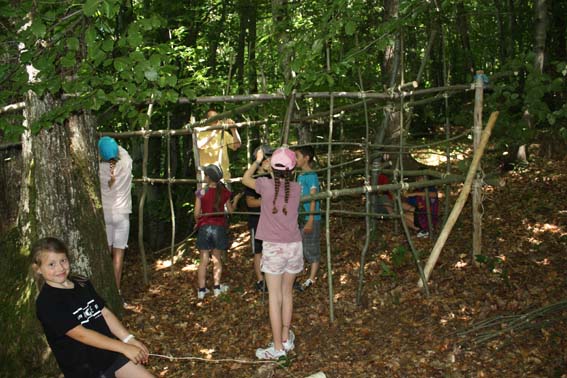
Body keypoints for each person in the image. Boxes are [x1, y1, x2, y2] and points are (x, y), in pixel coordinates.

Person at [31, 237, 154, 378]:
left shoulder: (81, 283)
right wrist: (124, 347)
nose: (60, 268)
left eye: (63, 260)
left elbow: (104, 313)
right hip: (85, 368)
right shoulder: (47, 302)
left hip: (110, 354)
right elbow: (81, 334)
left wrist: (129, 339)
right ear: (38, 269)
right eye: (51, 264)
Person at [242, 146, 303, 360]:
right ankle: (285, 339)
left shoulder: (265, 185)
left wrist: (259, 161)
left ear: (272, 168)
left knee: (274, 297)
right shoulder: (297, 188)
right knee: (287, 294)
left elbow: (245, 178)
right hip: (294, 246)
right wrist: (272, 170)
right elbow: (282, 187)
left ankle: (277, 349)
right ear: (292, 169)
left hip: (274, 248)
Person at [195, 164, 243, 300]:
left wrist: (197, 222)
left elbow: (196, 213)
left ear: (208, 178)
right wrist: (237, 200)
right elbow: (231, 211)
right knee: (217, 259)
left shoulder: (201, 192)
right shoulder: (224, 192)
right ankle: (216, 288)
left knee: (203, 260)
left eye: (205, 175)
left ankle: (202, 291)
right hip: (219, 228)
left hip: (204, 228)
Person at [98, 136, 132, 298]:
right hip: (122, 216)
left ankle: (103, 290)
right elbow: (122, 152)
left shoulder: (98, 170)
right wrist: (113, 146)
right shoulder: (126, 164)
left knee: (105, 254)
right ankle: (116, 292)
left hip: (105, 216)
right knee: (118, 256)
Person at [244, 145, 274, 292]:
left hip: (271, 221)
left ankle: (270, 277)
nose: (270, 160)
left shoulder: (272, 176)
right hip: (257, 220)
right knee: (258, 251)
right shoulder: (253, 179)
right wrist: (268, 200)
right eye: (267, 157)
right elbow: (250, 202)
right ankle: (260, 280)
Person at [294, 146, 321, 291]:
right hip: (301, 217)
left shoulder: (312, 176)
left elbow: (313, 199)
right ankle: (301, 274)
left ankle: (311, 278)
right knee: (301, 246)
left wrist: (311, 219)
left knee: (312, 247)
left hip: (311, 218)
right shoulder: (300, 176)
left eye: (297, 156)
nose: (295, 159)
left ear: (307, 158)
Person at [195, 109, 241, 184]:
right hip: (207, 178)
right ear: (207, 120)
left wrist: (234, 130)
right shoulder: (200, 133)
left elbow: (237, 145)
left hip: (224, 176)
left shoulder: (224, 133)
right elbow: (199, 145)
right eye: (213, 118)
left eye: (217, 118)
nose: (216, 121)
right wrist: (215, 131)